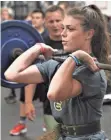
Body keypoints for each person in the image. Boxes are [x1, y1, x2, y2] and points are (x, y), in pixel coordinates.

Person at [5, 4, 110, 140]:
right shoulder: (56, 64)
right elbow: (11, 75)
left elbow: (54, 94)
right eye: (63, 28)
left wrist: (76, 57)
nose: (63, 33)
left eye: (70, 29)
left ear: (89, 34)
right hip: (64, 135)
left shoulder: (92, 71)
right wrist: (37, 48)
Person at [8, 5, 65, 136]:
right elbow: (31, 75)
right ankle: (23, 123)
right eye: (51, 21)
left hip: (74, 101)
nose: (55, 25)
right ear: (46, 22)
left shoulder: (72, 40)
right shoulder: (40, 45)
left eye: (58, 20)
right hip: (51, 103)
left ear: (64, 20)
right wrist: (28, 102)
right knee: (54, 136)